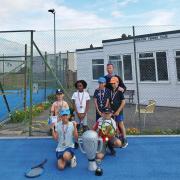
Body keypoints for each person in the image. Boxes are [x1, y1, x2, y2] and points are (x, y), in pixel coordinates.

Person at [109, 77, 128, 148]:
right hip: (112, 112)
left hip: (118, 111)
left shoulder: (120, 91)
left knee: (120, 124)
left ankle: (125, 140)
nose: (113, 84)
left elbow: (123, 102)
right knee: (114, 125)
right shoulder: (111, 91)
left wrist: (118, 111)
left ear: (117, 83)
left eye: (114, 83)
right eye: (112, 83)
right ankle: (116, 139)